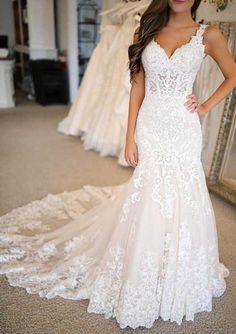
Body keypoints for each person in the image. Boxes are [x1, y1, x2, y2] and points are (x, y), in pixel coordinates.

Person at [1, 0, 236, 330]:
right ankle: (142, 263)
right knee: (150, 193)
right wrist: (129, 137)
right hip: (150, 126)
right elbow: (137, 85)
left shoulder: (208, 35)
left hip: (183, 129)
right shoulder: (146, 29)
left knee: (182, 193)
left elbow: (233, 74)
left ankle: (174, 267)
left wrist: (205, 105)